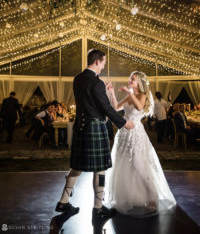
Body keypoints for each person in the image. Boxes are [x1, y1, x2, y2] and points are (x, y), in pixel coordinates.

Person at [55, 49, 134, 226]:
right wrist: (123, 123)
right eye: (104, 62)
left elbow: (89, 101)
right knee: (100, 169)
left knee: (77, 166)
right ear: (97, 61)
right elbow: (106, 107)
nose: (104, 65)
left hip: (80, 128)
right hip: (95, 128)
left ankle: (63, 202)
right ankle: (98, 207)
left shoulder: (78, 79)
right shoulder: (96, 83)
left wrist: (101, 90)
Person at [105, 71, 176, 216]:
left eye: (133, 79)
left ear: (140, 83)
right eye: (130, 78)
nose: (130, 80)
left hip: (136, 134)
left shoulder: (142, 96)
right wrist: (112, 92)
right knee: (125, 165)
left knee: (139, 166)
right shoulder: (129, 95)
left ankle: (152, 198)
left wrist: (129, 93)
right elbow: (116, 107)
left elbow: (138, 107)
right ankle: (130, 198)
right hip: (124, 134)